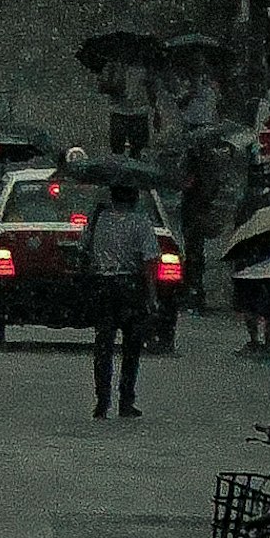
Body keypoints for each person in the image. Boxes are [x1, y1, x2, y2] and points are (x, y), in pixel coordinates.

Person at [85, 176, 168, 419]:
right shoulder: (140, 222)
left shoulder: (99, 220)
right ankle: (126, 399)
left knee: (103, 345)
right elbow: (150, 259)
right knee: (131, 347)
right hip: (131, 287)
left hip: (104, 286)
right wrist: (152, 295)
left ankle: (102, 400)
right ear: (134, 197)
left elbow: (85, 249)